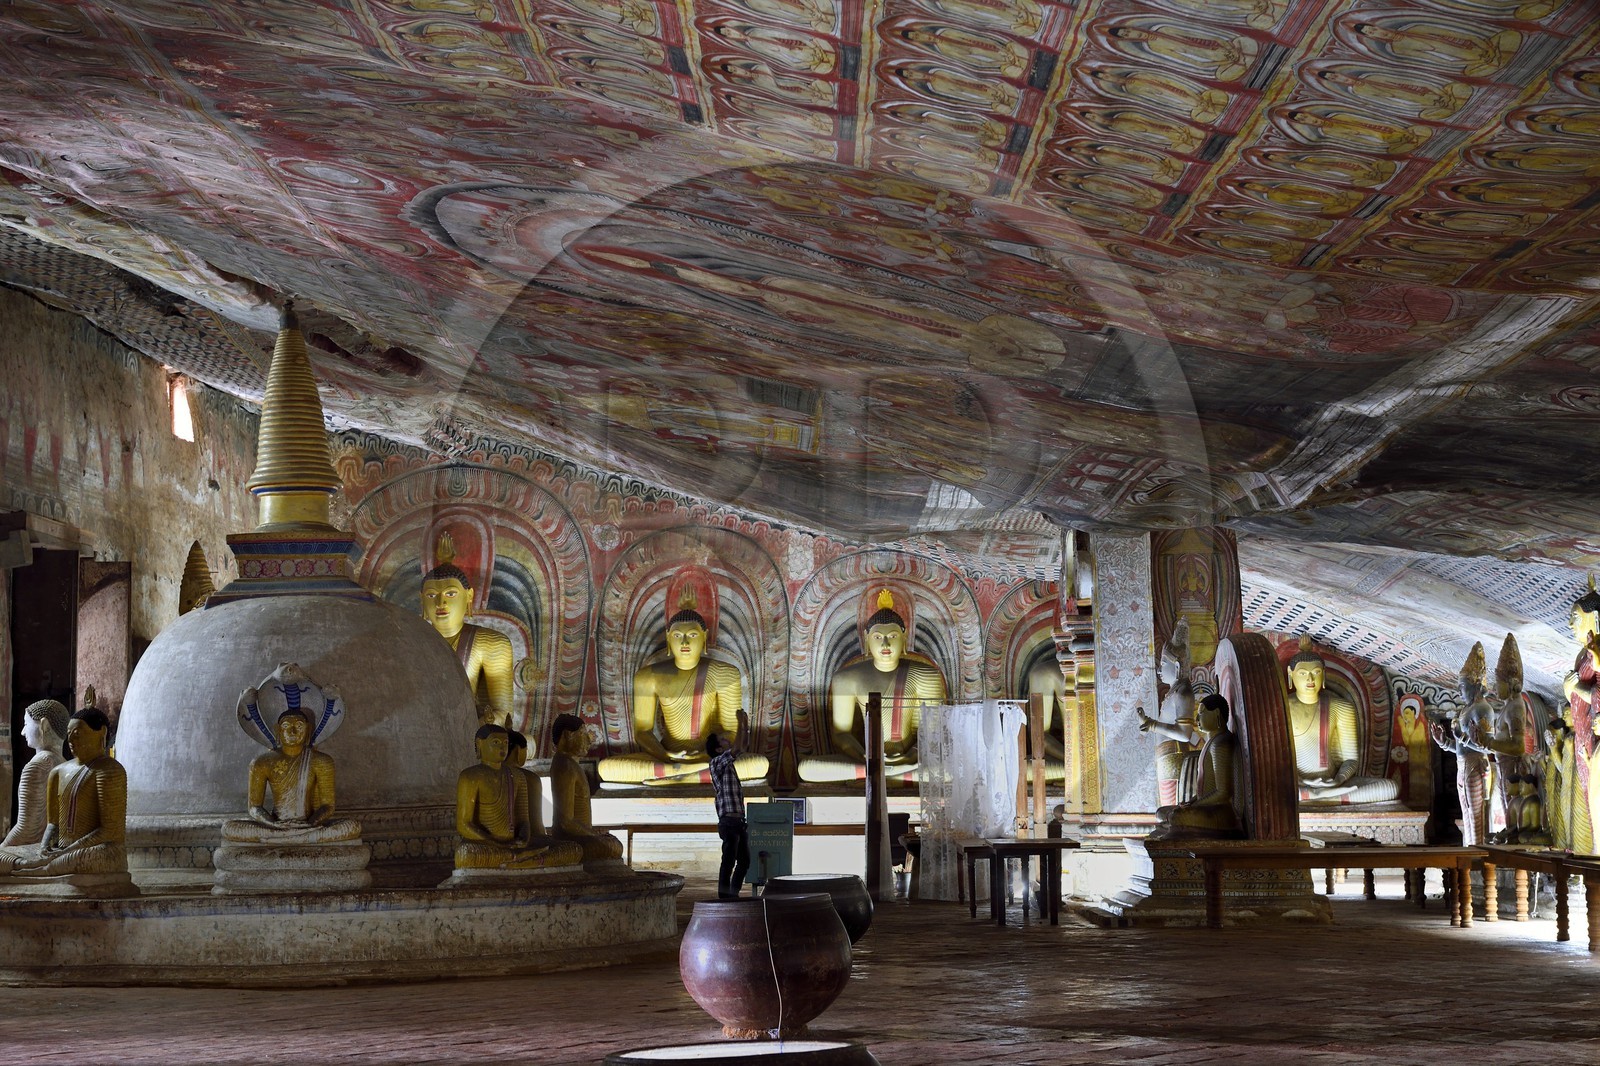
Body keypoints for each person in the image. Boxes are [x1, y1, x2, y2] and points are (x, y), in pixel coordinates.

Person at [598, 594, 768, 785]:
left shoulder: (725, 673)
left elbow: (729, 729)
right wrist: (666, 755)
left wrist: (706, 754)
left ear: (704, 636)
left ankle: (680, 775)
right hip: (666, 757)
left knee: (759, 764)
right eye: (678, 636)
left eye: (692, 635)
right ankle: (689, 773)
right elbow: (642, 732)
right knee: (606, 768)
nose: (685, 643)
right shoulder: (648, 677)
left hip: (709, 757)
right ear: (668, 637)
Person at [798, 589, 946, 783]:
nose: (885, 643)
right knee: (806, 769)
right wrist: (867, 757)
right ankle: (884, 774)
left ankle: (883, 775)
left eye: (892, 636)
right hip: (865, 759)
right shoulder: (846, 678)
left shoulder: (926, 674)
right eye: (877, 637)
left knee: (951, 770)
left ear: (904, 636)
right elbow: (841, 734)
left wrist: (909, 758)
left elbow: (931, 735)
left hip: (911, 759)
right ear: (867, 638)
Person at [10, 707, 128, 877]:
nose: (71, 739)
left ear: (101, 733)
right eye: (69, 733)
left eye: (78, 733)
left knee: (67, 861)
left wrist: (69, 850)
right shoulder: (58, 771)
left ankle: (39, 869)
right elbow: (54, 824)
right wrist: (44, 846)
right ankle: (36, 867)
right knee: (5, 856)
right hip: (61, 849)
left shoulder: (109, 770)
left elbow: (110, 830)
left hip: (97, 850)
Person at [1283, 636, 1399, 804]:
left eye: (1316, 673)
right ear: (1290, 674)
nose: (1310, 679)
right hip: (1295, 783)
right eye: (1302, 674)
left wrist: (1338, 780)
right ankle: (1319, 796)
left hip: (1334, 782)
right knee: (1272, 790)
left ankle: (1324, 797)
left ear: (1323, 674)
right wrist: (1300, 780)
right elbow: (1275, 760)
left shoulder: (1341, 708)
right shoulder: (1282, 707)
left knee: (1390, 788)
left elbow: (1350, 759)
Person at [222, 707, 361, 844]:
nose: (292, 731)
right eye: (286, 726)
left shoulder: (321, 761)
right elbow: (254, 807)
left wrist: (309, 824)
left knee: (351, 827)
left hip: (308, 826)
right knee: (229, 828)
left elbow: (327, 806)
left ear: (308, 730)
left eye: (299, 726)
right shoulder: (261, 762)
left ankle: (284, 839)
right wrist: (274, 824)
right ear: (278, 730)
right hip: (276, 826)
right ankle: (297, 838)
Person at [421, 558, 516, 728]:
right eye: (431, 595)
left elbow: (504, 715)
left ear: (469, 595)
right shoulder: (412, 643)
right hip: (423, 730)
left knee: (524, 743)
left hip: (470, 732)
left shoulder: (492, 643)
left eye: (450, 593)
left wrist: (476, 728)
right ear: (422, 600)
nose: (440, 603)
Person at [1149, 694, 1243, 839]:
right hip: (1207, 808)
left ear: (1216, 713)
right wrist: (1191, 802)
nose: (1197, 719)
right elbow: (1205, 789)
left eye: (1201, 713)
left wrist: (1196, 805)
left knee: (1176, 817)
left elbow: (1223, 792)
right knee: (1162, 813)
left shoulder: (1221, 743)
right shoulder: (1213, 742)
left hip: (1221, 813)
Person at [550, 713, 625, 863]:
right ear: (568, 735)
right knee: (611, 847)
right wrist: (592, 835)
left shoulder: (571, 764)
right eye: (583, 735)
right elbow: (565, 821)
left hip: (580, 835)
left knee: (611, 844)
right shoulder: (565, 766)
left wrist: (592, 832)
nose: (589, 741)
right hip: (571, 840)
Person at [2, 699, 69, 855]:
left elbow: (26, 830)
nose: (23, 731)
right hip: (59, 847)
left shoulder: (38, 766)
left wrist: (3, 847)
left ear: (44, 725)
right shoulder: (66, 763)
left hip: (36, 848)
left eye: (26, 724)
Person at [708, 728, 751, 898]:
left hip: (739, 821)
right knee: (728, 861)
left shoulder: (729, 764)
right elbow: (737, 748)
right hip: (729, 822)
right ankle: (725, 897)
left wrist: (745, 724)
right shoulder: (717, 762)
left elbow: (742, 746)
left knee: (744, 861)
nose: (727, 739)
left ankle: (733, 894)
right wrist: (740, 722)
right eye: (723, 739)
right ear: (719, 749)